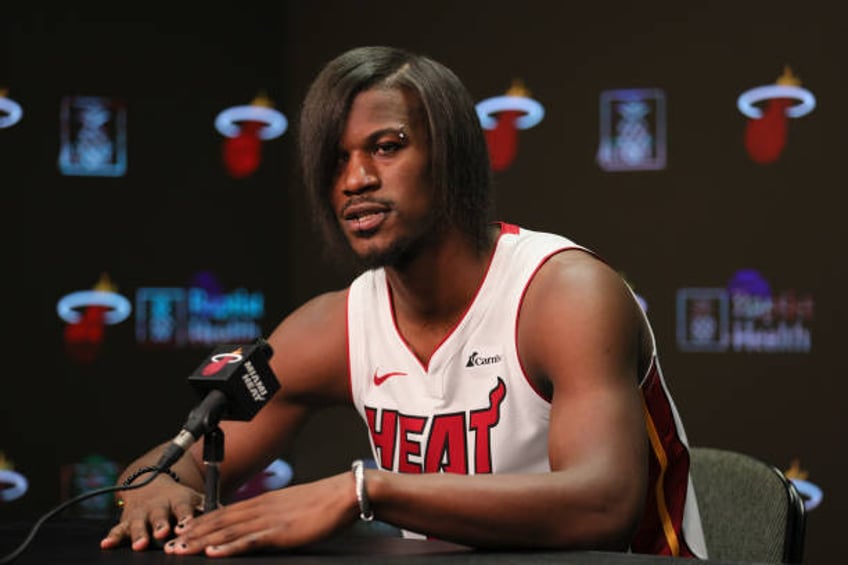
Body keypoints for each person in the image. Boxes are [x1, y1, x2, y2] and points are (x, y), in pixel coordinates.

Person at [100, 45, 707, 559]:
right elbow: (155, 473)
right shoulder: (338, 326)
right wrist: (156, 495)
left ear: (450, 158)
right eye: (336, 158)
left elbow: (602, 505)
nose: (354, 179)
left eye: (386, 147)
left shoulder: (561, 293)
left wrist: (364, 490)